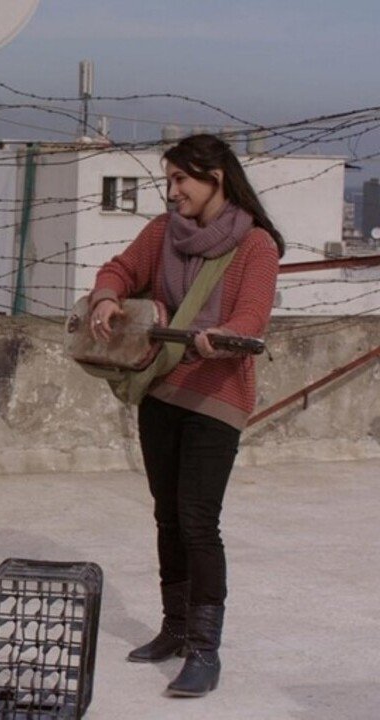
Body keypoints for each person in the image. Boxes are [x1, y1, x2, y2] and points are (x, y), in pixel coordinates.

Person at [88, 134, 283, 697]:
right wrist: (106, 296)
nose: (172, 193)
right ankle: (173, 628)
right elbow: (120, 269)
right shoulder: (162, 233)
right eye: (168, 181)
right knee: (167, 515)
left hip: (216, 399)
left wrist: (221, 339)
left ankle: (204, 647)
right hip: (161, 392)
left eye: (181, 181)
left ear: (216, 178)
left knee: (199, 520)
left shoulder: (256, 246)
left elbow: (250, 321)